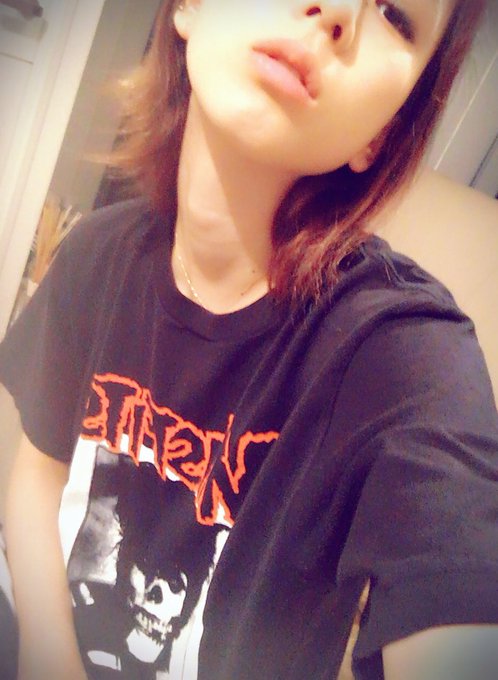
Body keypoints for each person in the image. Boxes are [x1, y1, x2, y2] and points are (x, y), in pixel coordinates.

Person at [0, 1, 497, 679]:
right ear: (190, 6)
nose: (339, 9)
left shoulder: (404, 355)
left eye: (394, 12)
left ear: (380, 135)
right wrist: (47, 651)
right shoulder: (94, 252)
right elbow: (39, 469)